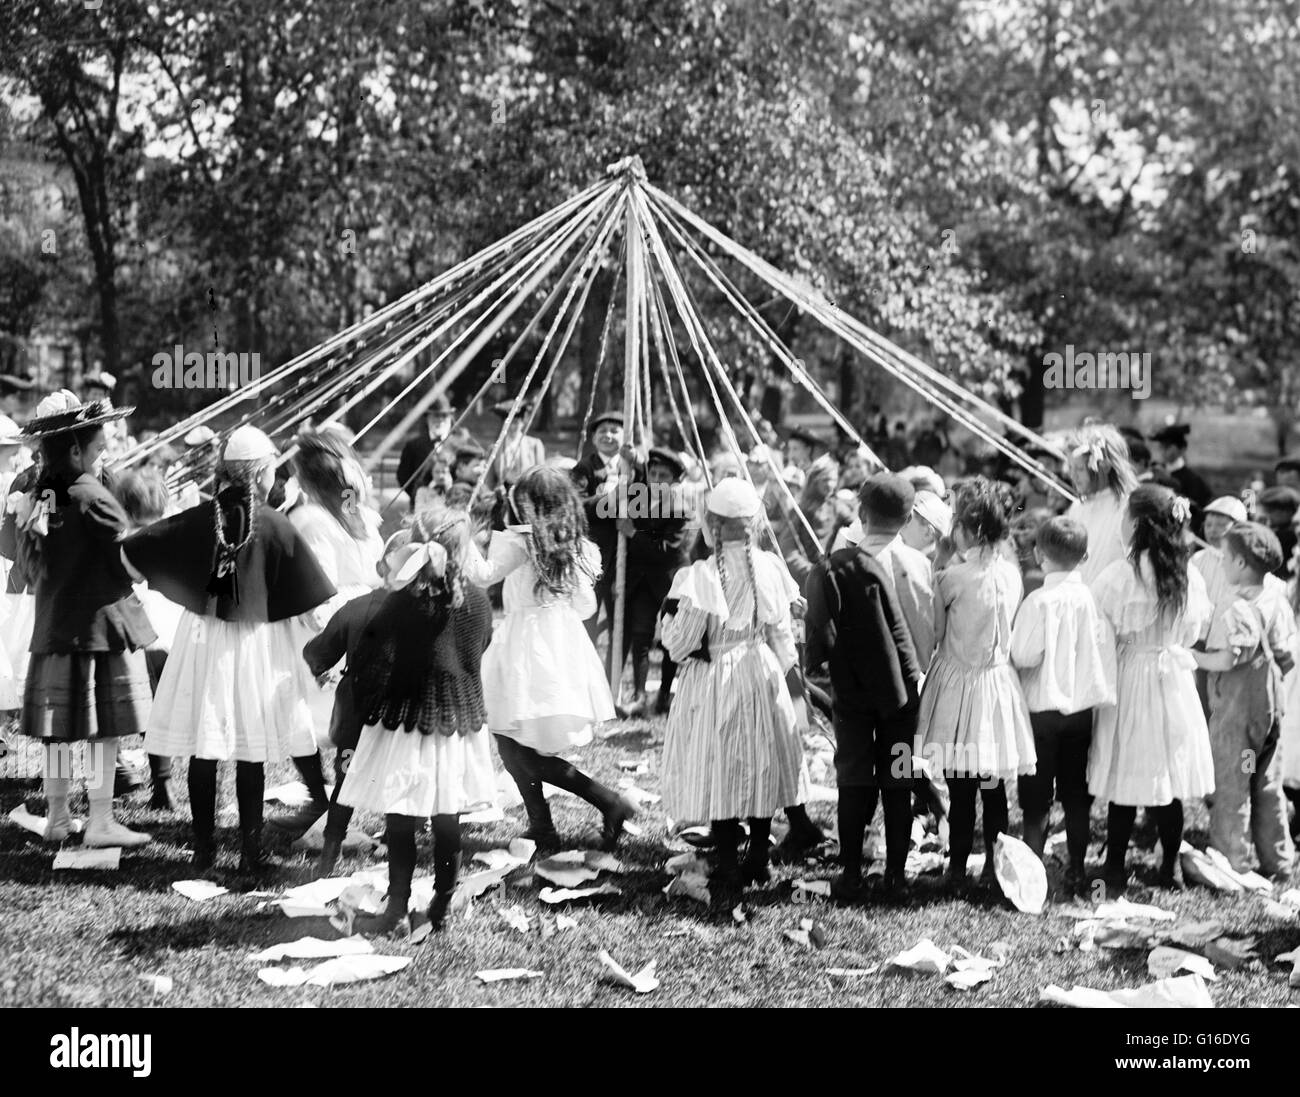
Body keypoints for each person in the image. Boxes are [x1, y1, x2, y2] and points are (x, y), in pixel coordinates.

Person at [123, 426, 336, 874]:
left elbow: (134, 551)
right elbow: (312, 601)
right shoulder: (276, 523)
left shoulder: (203, 516)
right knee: (248, 748)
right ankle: (249, 851)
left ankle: (204, 849)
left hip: (202, 640)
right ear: (260, 474)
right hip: (256, 646)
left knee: (207, 744)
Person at [0, 390, 154, 847]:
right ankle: (102, 819)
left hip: (52, 628)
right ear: (74, 450)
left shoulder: (31, 492)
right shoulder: (92, 495)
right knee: (102, 730)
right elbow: (128, 557)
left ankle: (59, 816)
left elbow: (15, 557)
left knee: (60, 733)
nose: (104, 455)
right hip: (96, 631)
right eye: (99, 448)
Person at [336, 509, 496, 935]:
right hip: (456, 722)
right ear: (467, 551)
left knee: (401, 819)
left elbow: (372, 651)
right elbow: (481, 645)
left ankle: (398, 910)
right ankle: (441, 906)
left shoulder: (403, 600)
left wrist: (371, 696)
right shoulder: (478, 602)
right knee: (448, 819)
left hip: (408, 721)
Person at [462, 465, 635, 853]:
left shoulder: (519, 542)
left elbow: (483, 575)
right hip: (560, 644)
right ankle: (542, 825)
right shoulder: (580, 547)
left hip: (526, 645)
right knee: (510, 741)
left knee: (515, 742)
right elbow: (587, 607)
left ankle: (607, 801)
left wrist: (463, 538)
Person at [660, 478, 805, 912]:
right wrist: (792, 683)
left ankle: (728, 860)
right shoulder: (773, 568)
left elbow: (680, 643)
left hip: (717, 678)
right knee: (758, 761)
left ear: (712, 526)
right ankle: (758, 855)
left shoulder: (699, 576)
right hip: (760, 669)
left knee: (721, 765)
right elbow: (782, 633)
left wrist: (668, 622)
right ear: (755, 524)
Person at [1088, 485, 1214, 897]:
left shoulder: (1121, 574)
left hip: (1133, 673)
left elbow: (1100, 628)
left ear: (1138, 524)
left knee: (1128, 768)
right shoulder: (1187, 573)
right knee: (1167, 772)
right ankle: (1170, 865)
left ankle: (1115, 866)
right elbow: (1195, 631)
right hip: (1173, 676)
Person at [806, 476, 927, 901]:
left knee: (854, 774)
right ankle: (896, 875)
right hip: (902, 694)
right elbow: (926, 633)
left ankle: (852, 872)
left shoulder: (839, 563)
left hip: (851, 690)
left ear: (861, 514)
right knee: (899, 775)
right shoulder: (918, 565)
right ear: (910, 517)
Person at [919, 477, 1035, 894]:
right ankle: (993, 866)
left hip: (960, 683)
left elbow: (936, 631)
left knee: (961, 785)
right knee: (993, 785)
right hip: (997, 686)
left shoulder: (953, 577)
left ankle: (957, 869)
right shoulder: (1012, 575)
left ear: (967, 530)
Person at [269, 426, 385, 837]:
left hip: (328, 625)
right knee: (344, 718)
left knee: (308, 715)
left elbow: (315, 586)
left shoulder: (310, 520)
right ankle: (332, 803)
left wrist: (326, 641)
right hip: (364, 618)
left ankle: (323, 802)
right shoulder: (362, 515)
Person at [1009, 517, 1115, 896]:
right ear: (1085, 557)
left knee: (1036, 796)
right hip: (1081, 710)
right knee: (1075, 794)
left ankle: (1034, 871)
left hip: (1042, 711)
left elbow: (1023, 654)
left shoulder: (1038, 600)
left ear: (1038, 555)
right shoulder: (1091, 600)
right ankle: (1076, 869)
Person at [1192, 523, 1295, 881]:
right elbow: (1286, 655)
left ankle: (1230, 858)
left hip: (1237, 711)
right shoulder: (1277, 599)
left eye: (1223, 557)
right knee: (1266, 783)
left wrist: (1194, 657)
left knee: (1233, 782)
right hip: (1269, 710)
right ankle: (1279, 861)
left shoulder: (1236, 606)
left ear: (1238, 563)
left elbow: (1228, 659)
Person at [112, 468, 184, 810]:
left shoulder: (121, 541)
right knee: (162, 711)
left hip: (136, 634)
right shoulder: (170, 536)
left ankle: (138, 778)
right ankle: (163, 783)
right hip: (169, 633)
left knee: (142, 711)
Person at [616, 447, 691, 717]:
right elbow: (634, 474)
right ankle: (639, 696)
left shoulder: (680, 508)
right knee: (641, 636)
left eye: (664, 475)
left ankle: (664, 696)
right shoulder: (640, 497)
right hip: (642, 581)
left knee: (672, 640)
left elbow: (665, 551)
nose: (657, 478)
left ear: (674, 481)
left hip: (670, 581)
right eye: (653, 473)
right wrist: (634, 461)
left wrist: (633, 533)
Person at [570, 411, 628, 650]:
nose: (608, 436)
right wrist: (608, 500)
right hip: (593, 556)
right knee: (587, 619)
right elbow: (576, 505)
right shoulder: (584, 468)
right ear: (593, 438)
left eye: (614, 431)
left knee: (621, 623)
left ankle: (612, 682)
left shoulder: (632, 467)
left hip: (626, 555)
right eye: (602, 431)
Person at [1065, 424, 1138, 586]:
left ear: (1103, 467)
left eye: (1079, 468)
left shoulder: (1126, 507)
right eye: (1070, 467)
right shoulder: (1077, 508)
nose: (1072, 475)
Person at [1192, 496, 1250, 613]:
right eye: (1208, 525)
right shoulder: (1197, 559)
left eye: (1221, 525)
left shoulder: (1245, 562)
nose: (1212, 530)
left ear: (1239, 528)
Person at [397, 394, 456, 509]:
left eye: (444, 416)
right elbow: (403, 476)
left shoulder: (458, 444)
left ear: (450, 418)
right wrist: (418, 494)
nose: (440, 420)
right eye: (435, 416)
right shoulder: (413, 446)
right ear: (428, 418)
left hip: (451, 507)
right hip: (420, 506)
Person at [1150, 423, 1212, 514]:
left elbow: (1197, 509)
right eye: (1161, 447)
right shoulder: (1154, 470)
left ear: (1182, 449)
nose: (1163, 451)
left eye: (1167, 447)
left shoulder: (1193, 480)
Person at [486, 397, 546, 490]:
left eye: (516, 422)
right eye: (510, 423)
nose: (513, 427)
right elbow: (489, 483)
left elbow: (540, 479)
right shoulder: (494, 449)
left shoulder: (534, 445)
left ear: (522, 423)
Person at [1257, 486, 1299, 578]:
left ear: (1288, 512)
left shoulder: (1288, 536)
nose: (1265, 516)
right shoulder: (1276, 531)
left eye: (1270, 511)